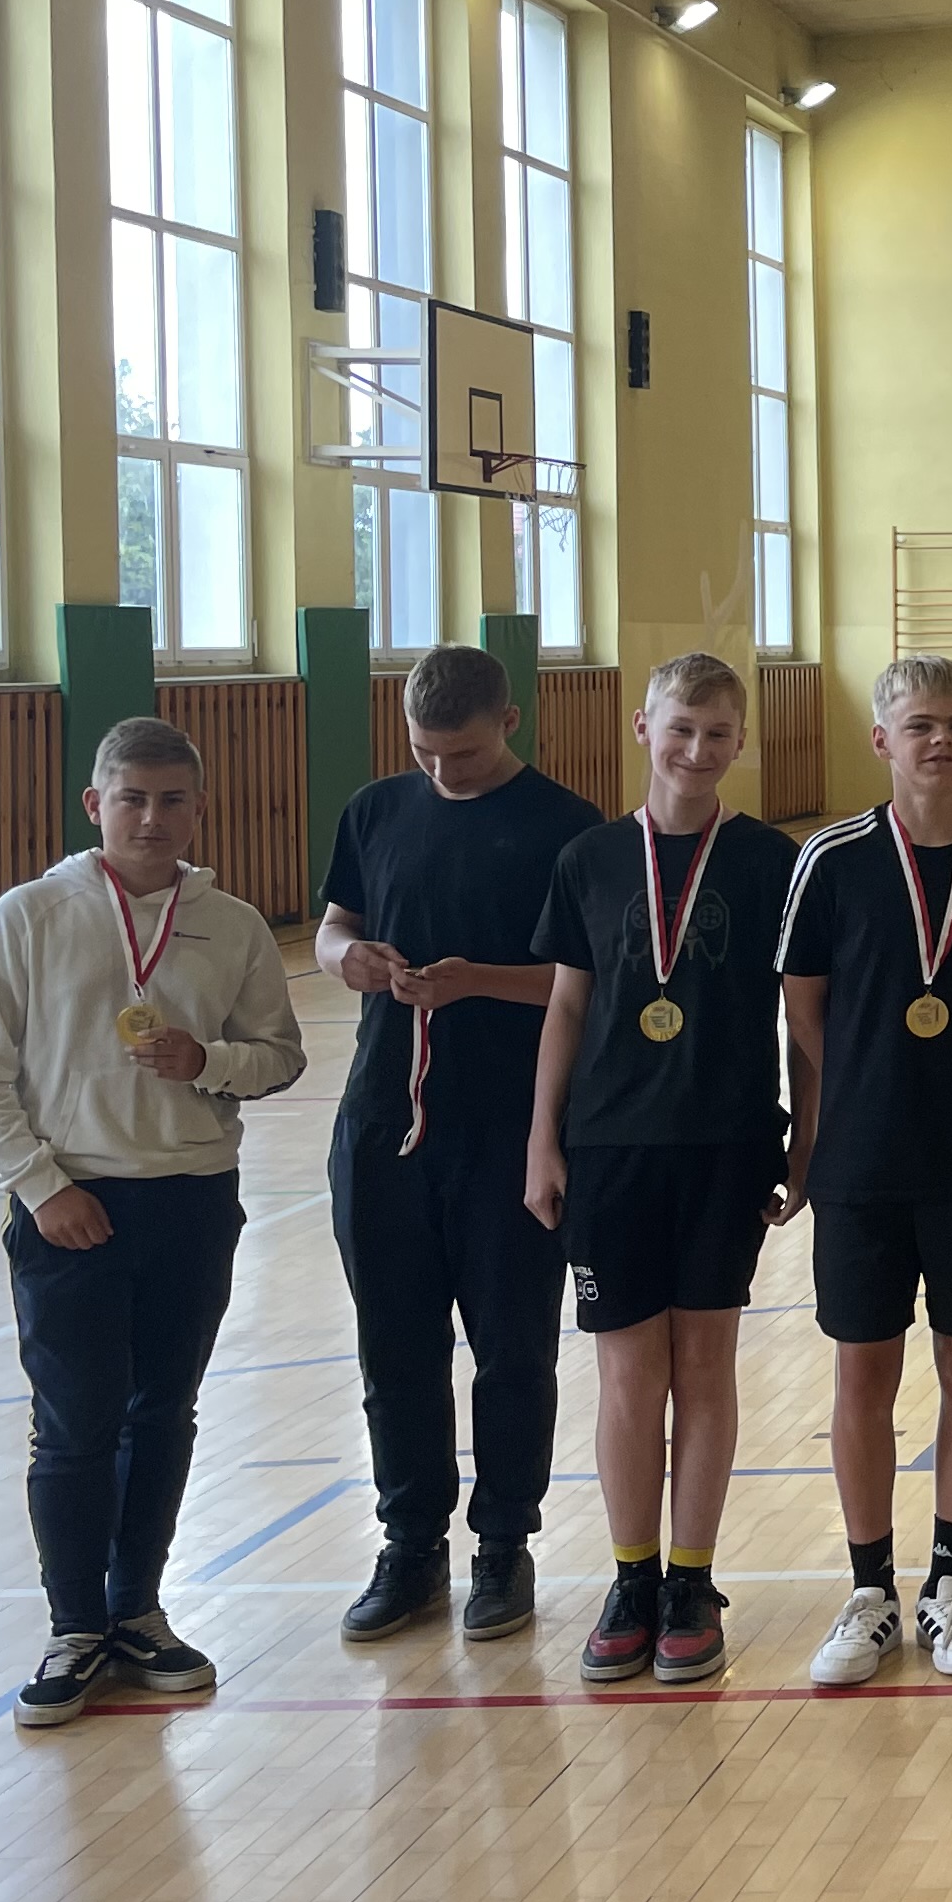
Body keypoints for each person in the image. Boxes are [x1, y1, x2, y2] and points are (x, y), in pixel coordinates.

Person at [0, 719, 305, 1728]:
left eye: (172, 799)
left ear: (199, 809)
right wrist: (41, 1186)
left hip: (192, 1199)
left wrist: (209, 1063)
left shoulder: (231, 925)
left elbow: (279, 1055)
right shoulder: (29, 916)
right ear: (95, 805)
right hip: (70, 1204)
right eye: (132, 798)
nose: (152, 818)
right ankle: (73, 1627)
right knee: (74, 1423)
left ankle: (136, 1609)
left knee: (163, 1414)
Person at [315, 644, 603, 1646]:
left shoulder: (567, 830)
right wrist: (348, 960)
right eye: (424, 752)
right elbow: (334, 926)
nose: (443, 770)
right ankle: (409, 1544)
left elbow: (585, 980)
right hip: (384, 1124)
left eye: (465, 753)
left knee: (511, 1351)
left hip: (511, 1129)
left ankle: (504, 1543)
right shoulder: (375, 812)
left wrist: (478, 978)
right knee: (394, 1348)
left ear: (510, 723)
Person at [523, 654, 802, 1687]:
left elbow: (805, 1016)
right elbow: (567, 1003)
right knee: (628, 1374)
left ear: (741, 743)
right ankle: (631, 1577)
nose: (696, 749)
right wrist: (541, 1139)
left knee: (706, 1368)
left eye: (717, 733)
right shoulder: (591, 859)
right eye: (680, 728)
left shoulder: (772, 861)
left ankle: (691, 1578)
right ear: (643, 728)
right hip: (610, 1148)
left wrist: (806, 1139)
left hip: (727, 1145)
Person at [780, 658, 952, 1688]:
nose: (942, 740)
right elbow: (804, 1009)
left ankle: (949, 1580)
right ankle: (869, 1591)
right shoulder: (833, 858)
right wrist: (845, 1106)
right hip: (861, 1166)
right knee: (864, 1372)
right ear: (882, 739)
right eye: (921, 724)